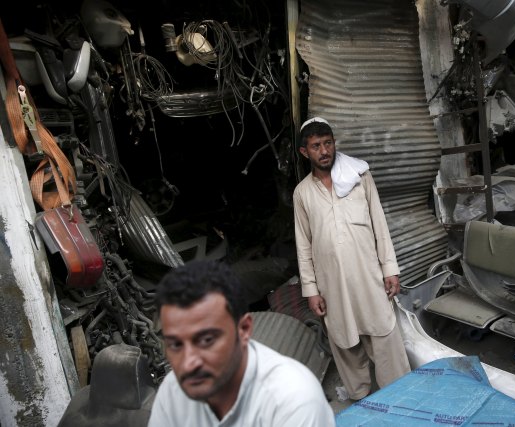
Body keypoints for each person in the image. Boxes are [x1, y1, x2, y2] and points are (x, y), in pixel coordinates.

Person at [293, 117, 411, 401]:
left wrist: (389, 269)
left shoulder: (360, 177)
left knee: (383, 333)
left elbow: (379, 225)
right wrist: (311, 290)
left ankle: (403, 395)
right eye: (316, 146)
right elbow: (303, 245)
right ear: (304, 152)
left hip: (368, 275)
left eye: (328, 143)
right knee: (344, 341)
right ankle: (360, 396)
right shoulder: (302, 193)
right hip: (331, 283)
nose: (324, 151)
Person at [148, 259, 336, 427]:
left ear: (244, 329)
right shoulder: (173, 390)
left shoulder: (293, 398)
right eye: (175, 344)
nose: (189, 362)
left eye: (206, 340)